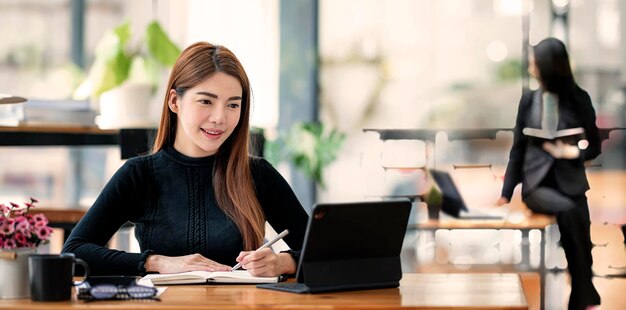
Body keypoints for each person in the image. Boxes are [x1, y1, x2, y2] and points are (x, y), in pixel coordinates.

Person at [62, 42, 309, 277]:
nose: (219, 118)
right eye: (206, 101)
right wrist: (156, 262)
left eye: (233, 105)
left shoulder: (257, 174)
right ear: (174, 101)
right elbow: (73, 252)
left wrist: (284, 262)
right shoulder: (140, 174)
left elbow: (330, 253)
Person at [497, 37, 601, 310]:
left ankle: (582, 288)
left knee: (577, 217)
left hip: (570, 181)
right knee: (572, 211)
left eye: (535, 63)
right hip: (537, 185)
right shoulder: (529, 101)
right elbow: (518, 150)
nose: (531, 67)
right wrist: (506, 194)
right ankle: (584, 291)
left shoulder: (580, 100)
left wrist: (573, 152)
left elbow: (594, 146)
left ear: (549, 67)